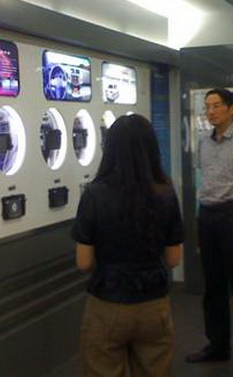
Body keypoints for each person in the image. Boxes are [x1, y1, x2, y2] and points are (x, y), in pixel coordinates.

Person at [72, 114, 184, 377]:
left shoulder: (94, 194)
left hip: (107, 303)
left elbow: (84, 262)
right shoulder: (166, 192)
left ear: (109, 147)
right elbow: (173, 259)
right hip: (154, 304)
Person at [187, 88, 233, 377]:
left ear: (232, 109)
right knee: (213, 285)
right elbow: (203, 177)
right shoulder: (203, 140)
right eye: (207, 106)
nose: (210, 111)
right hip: (207, 214)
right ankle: (217, 345)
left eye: (217, 105)